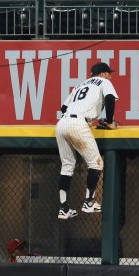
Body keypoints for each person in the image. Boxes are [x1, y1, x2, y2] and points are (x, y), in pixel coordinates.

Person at [56, 62, 119, 220]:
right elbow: (110, 98)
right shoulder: (104, 82)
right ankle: (89, 202)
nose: (110, 76)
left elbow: (63, 108)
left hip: (62, 123)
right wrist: (109, 120)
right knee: (96, 163)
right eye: (108, 73)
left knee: (67, 166)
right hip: (78, 123)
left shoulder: (80, 84)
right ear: (103, 74)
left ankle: (63, 208)